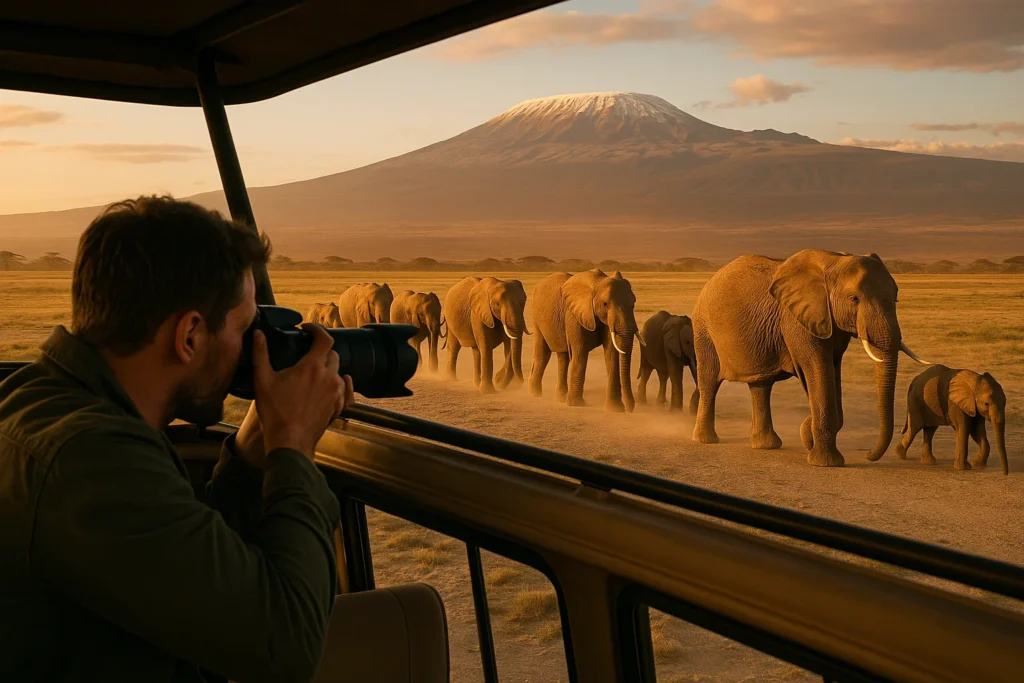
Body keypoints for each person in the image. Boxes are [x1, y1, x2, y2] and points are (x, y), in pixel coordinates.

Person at [0, 196, 354, 683]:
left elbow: (183, 560)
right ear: (189, 335)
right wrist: (293, 444)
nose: (254, 348)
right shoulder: (89, 460)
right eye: (245, 329)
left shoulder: (44, 402)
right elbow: (285, 644)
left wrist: (255, 448)